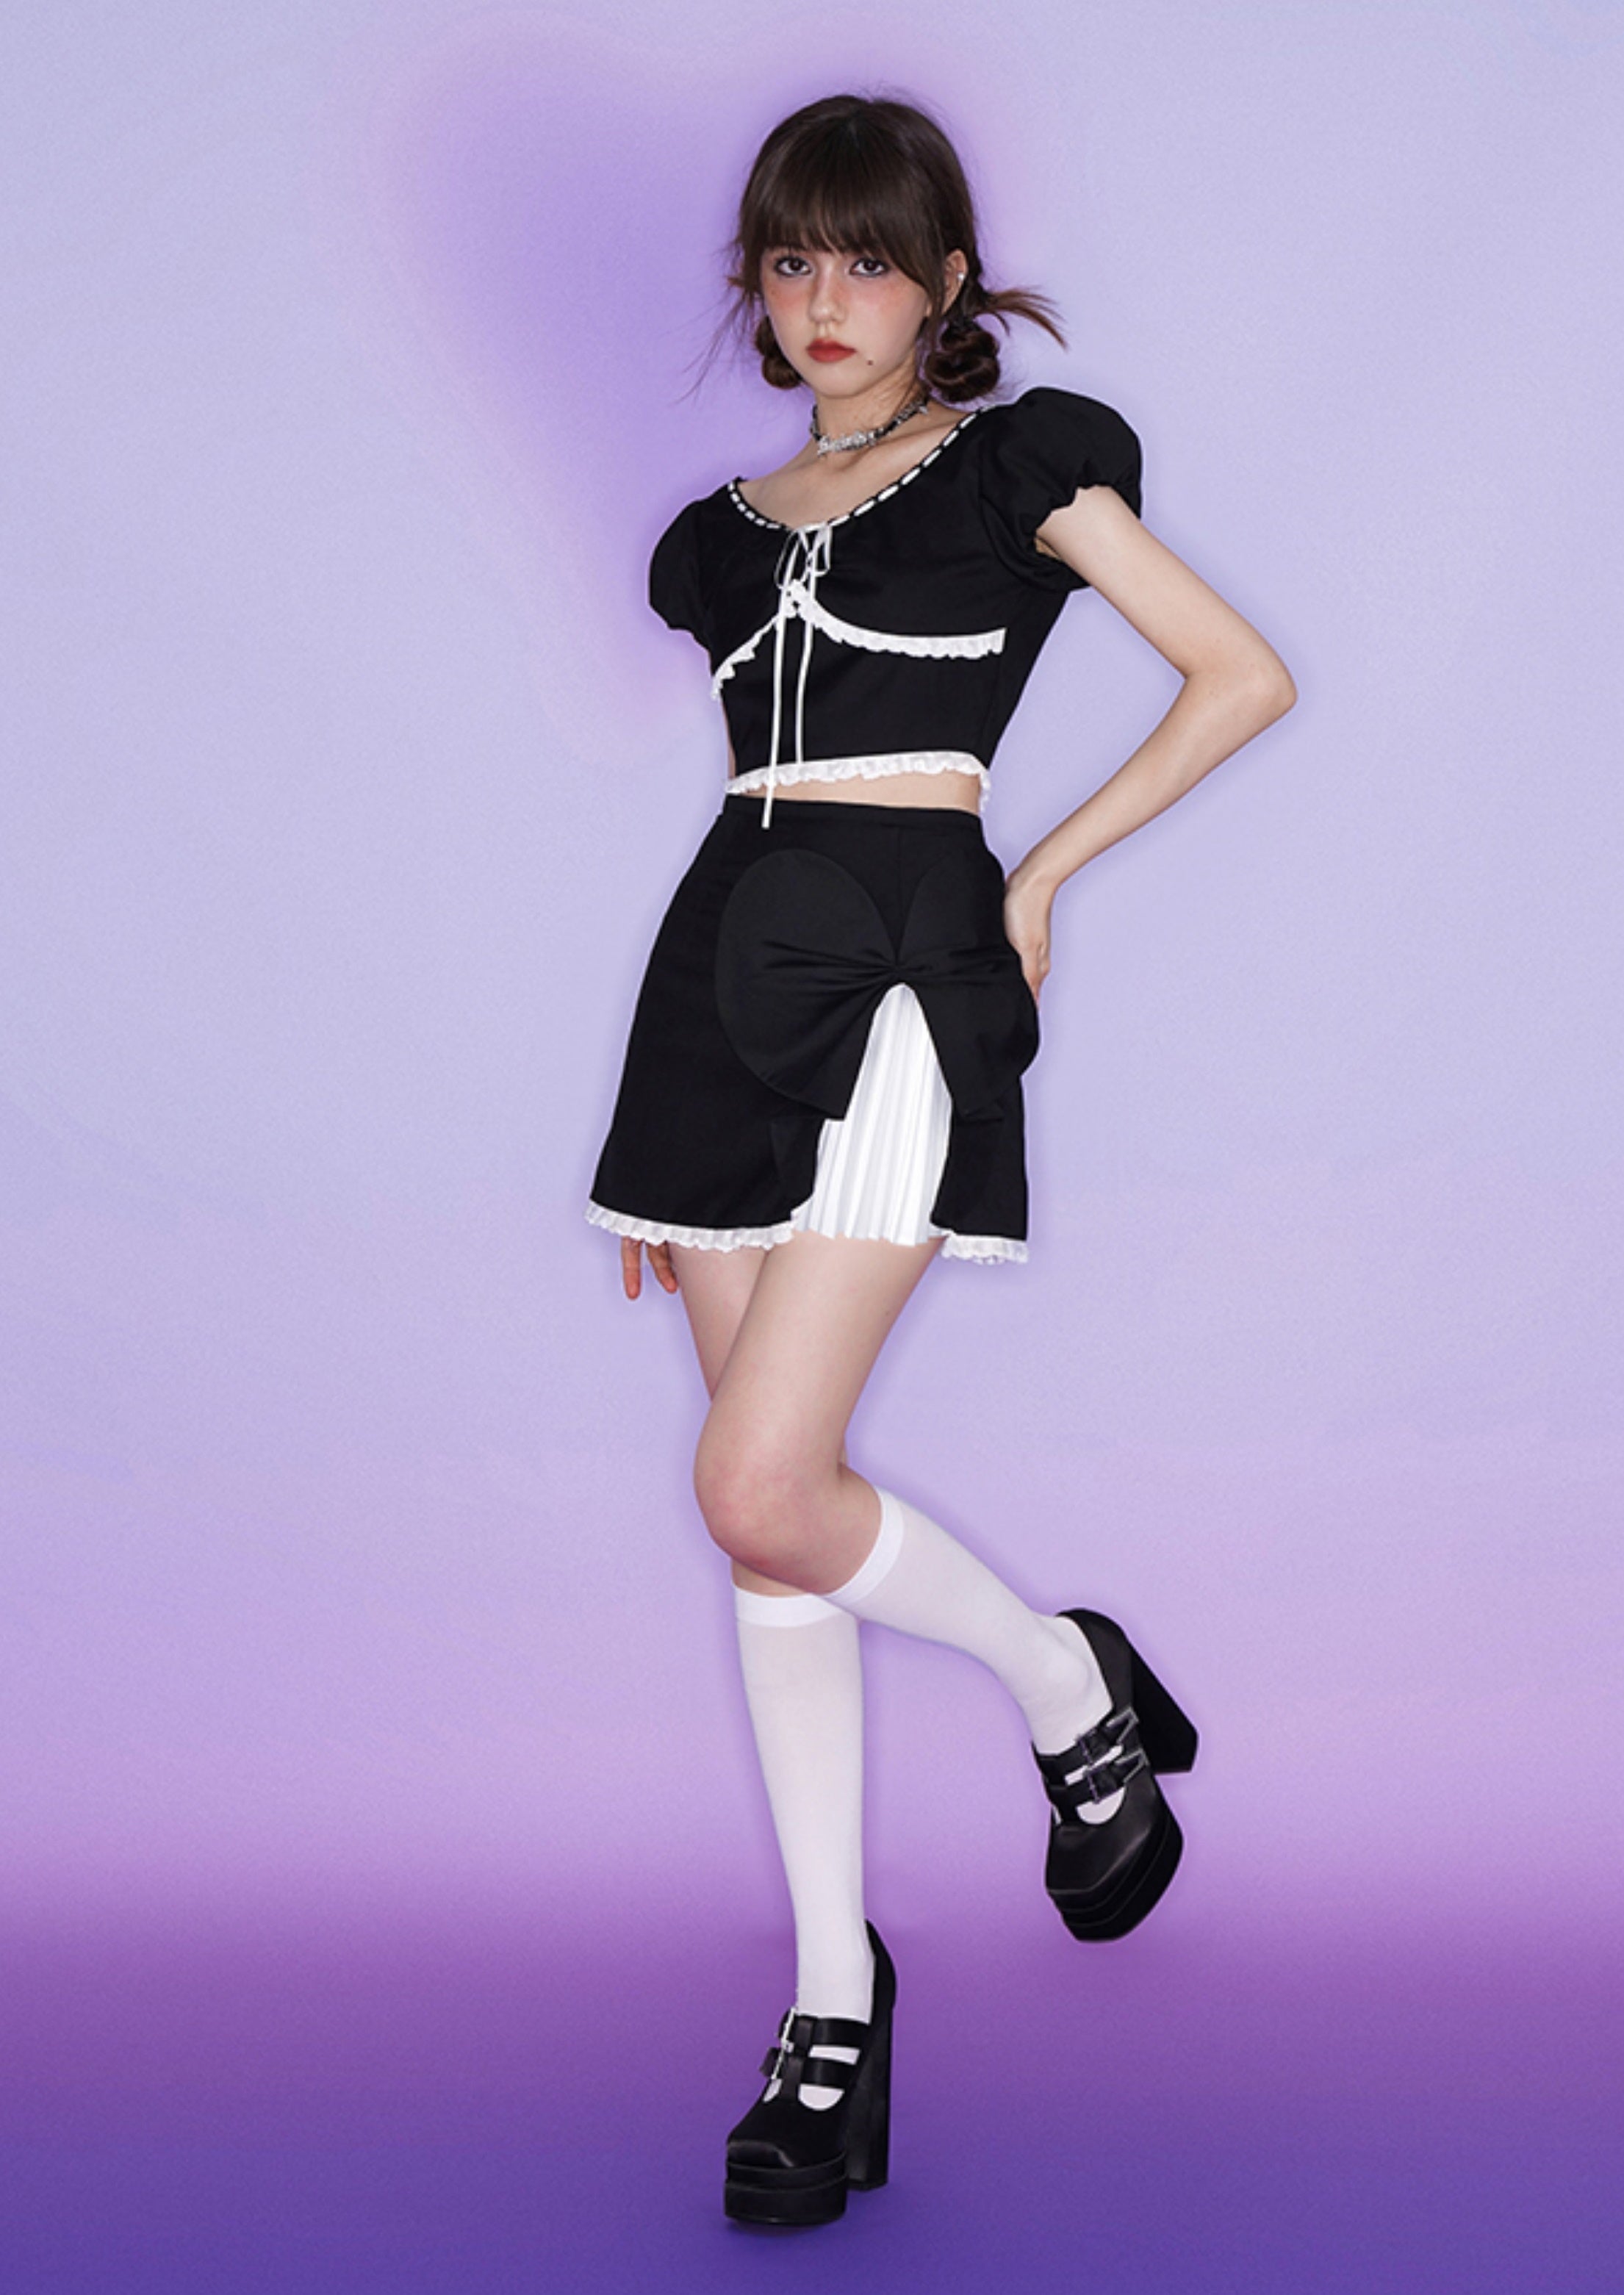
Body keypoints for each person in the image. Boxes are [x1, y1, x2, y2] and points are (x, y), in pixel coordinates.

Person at [586, 92, 1295, 2227]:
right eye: (794, 260)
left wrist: (1042, 874)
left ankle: (1066, 1679)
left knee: (756, 1480)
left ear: (947, 284)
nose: (829, 299)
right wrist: (659, 1154)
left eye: (871, 261)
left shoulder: (1015, 463)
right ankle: (833, 2002)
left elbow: (1239, 674)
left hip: (906, 965)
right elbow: (754, 799)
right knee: (768, 1538)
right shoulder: (717, 535)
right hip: (714, 986)